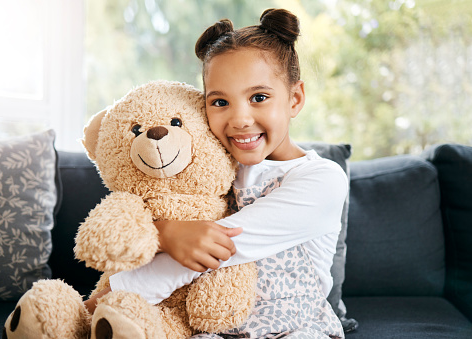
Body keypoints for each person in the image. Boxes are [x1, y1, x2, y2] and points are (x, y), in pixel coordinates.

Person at [86, 8, 347, 338]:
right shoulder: (214, 170)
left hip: (293, 329)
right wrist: (162, 228)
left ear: (294, 99)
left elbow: (217, 248)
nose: (239, 119)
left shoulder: (323, 180)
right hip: (212, 328)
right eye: (220, 102)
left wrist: (101, 301)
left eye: (259, 97)